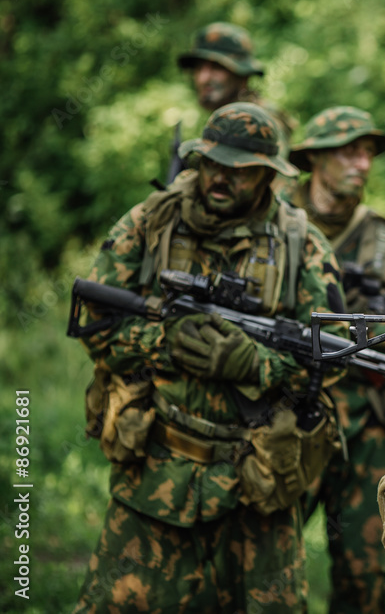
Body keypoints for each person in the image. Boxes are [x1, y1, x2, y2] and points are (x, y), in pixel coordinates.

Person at [73, 102, 348, 613]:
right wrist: (168, 344)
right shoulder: (149, 223)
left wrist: (255, 365)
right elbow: (95, 320)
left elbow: (332, 358)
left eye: (239, 170)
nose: (220, 178)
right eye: (212, 163)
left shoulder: (301, 245)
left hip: (258, 481)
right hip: (156, 470)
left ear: (267, 175)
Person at [282, 105, 385, 614]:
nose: (362, 162)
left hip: (365, 425)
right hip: (287, 417)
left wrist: (375, 328)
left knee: (364, 573)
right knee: (265, 558)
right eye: (349, 151)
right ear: (315, 157)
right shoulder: (275, 226)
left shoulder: (384, 238)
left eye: (368, 152)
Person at [177, 22, 298, 173]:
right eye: (199, 67)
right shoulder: (224, 120)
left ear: (243, 75)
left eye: (216, 67)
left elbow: (279, 189)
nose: (203, 78)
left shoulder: (261, 122)